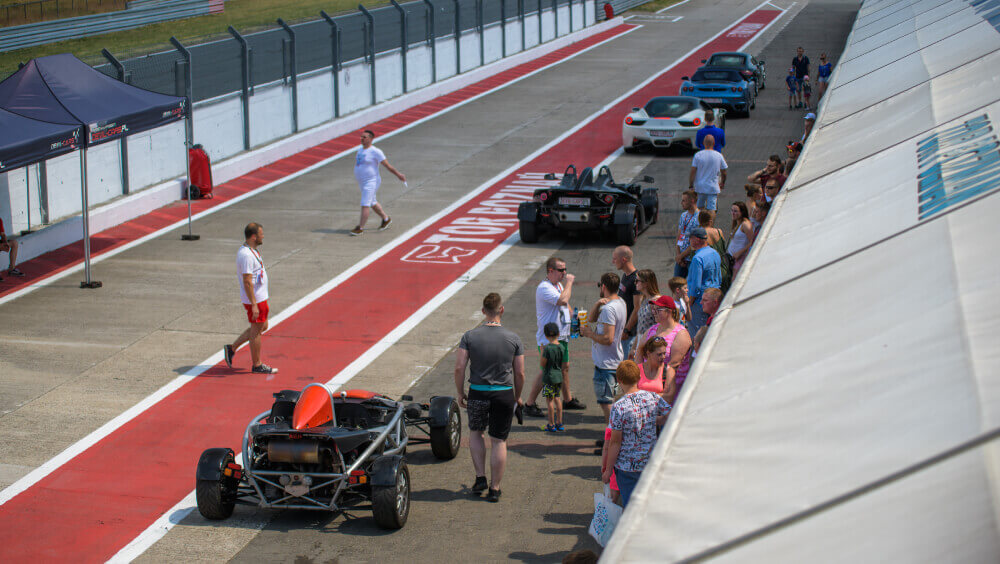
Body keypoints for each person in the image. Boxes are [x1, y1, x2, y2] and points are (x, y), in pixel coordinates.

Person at [453, 292, 525, 503]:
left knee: (476, 433)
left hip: (477, 391)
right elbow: (520, 373)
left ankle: (480, 478)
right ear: (501, 310)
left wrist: (460, 391)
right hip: (504, 394)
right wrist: (517, 397)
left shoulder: (469, 336)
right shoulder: (513, 338)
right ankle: (495, 488)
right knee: (499, 440)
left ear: (483, 311)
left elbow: (459, 367)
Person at [602, 361, 670, 506]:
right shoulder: (652, 397)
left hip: (627, 466)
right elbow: (669, 414)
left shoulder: (619, 407)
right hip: (649, 461)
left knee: (630, 504)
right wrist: (653, 420)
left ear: (619, 381)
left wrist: (608, 470)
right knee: (647, 503)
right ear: (639, 377)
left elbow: (615, 442)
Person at [524, 257, 584, 418]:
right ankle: (529, 404)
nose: (565, 273)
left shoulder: (557, 284)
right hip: (548, 339)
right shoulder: (544, 288)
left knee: (565, 367)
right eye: (561, 270)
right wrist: (570, 283)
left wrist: (574, 318)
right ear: (550, 271)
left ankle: (568, 400)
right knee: (547, 370)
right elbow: (563, 299)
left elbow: (566, 303)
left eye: (565, 269)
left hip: (562, 336)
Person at [223, 222, 278, 374]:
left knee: (262, 326)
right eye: (261, 234)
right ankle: (257, 364)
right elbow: (247, 281)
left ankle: (232, 348)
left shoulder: (251, 250)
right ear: (254, 236)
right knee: (256, 331)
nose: (263, 236)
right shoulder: (246, 255)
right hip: (256, 300)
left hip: (260, 298)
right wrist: (253, 304)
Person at [580, 272, 626, 422]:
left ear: (604, 286)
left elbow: (607, 338)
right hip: (614, 360)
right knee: (610, 400)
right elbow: (592, 319)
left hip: (606, 364)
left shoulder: (609, 310)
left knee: (607, 403)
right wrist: (597, 303)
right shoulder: (620, 302)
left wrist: (589, 334)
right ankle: (612, 435)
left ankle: (611, 436)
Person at [350, 129, 405, 236]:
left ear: (371, 139)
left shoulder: (376, 152)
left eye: (364, 137)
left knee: (365, 203)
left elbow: (387, 166)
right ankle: (386, 219)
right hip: (362, 182)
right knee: (372, 202)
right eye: (361, 136)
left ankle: (360, 227)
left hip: (371, 181)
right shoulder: (360, 150)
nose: (362, 138)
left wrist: (398, 175)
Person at [686, 227, 721, 338]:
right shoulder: (715, 253)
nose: (689, 241)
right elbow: (719, 277)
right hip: (714, 298)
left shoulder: (697, 258)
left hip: (699, 302)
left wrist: (689, 303)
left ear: (696, 239)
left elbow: (695, 286)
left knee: (697, 334)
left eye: (690, 238)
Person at [689, 134, 727, 223]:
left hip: (700, 187)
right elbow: (724, 172)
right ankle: (710, 226)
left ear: (703, 143)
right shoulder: (719, 155)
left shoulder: (698, 155)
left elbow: (693, 171)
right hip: (713, 187)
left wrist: (691, 184)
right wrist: (723, 182)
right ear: (714, 143)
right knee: (712, 208)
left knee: (699, 207)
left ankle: (700, 224)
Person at [613, 246, 639, 360]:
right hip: (622, 331)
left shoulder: (636, 280)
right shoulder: (625, 276)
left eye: (615, 258)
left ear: (623, 259)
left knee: (627, 369)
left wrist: (627, 330)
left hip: (629, 334)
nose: (613, 261)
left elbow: (637, 308)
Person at [630, 269, 662, 360]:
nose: (635, 283)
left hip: (651, 345)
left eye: (637, 281)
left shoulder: (657, 301)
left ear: (646, 283)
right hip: (641, 344)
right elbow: (640, 328)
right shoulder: (644, 300)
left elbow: (661, 326)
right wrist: (634, 348)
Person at [540, 322, 565, 433]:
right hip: (558, 376)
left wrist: (541, 352)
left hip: (549, 377)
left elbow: (543, 364)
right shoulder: (561, 347)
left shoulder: (547, 349)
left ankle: (551, 423)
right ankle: (559, 422)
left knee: (549, 401)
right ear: (558, 334)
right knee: (558, 399)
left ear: (545, 335)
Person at [674, 190, 700, 277]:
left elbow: (696, 242)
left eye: (684, 200)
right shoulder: (683, 216)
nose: (681, 203)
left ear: (692, 201)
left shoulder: (699, 217)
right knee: (676, 284)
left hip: (692, 258)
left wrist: (681, 256)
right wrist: (678, 254)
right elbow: (680, 236)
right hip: (681, 258)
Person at [691, 287, 723, 353]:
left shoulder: (717, 321)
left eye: (705, 300)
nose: (701, 302)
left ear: (715, 303)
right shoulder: (711, 318)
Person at [729, 201, 753, 275]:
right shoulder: (737, 222)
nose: (733, 213)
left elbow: (753, 241)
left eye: (735, 211)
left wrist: (739, 253)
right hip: (732, 257)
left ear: (742, 212)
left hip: (740, 258)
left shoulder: (745, 225)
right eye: (732, 210)